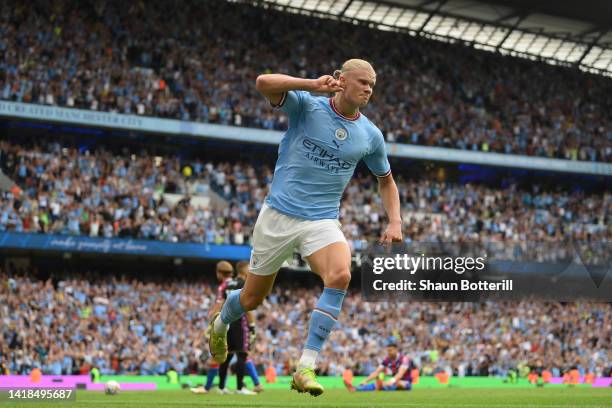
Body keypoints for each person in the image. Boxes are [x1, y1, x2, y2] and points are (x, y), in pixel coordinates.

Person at [208, 58, 402, 396]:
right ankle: (222, 321)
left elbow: (386, 180)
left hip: (322, 220)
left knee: (341, 275)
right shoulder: (307, 105)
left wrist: (395, 220)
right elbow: (263, 81)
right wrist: (311, 84)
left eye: (372, 85)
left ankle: (305, 367)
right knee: (252, 299)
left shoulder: (370, 135)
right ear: (341, 79)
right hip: (278, 215)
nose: (369, 89)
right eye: (362, 82)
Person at [344, 343, 414, 392]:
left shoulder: (404, 359)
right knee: (380, 384)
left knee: (397, 384)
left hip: (406, 383)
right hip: (394, 382)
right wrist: (365, 380)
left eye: (390, 350)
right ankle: (356, 389)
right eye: (388, 350)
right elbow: (376, 372)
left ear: (396, 350)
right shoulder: (387, 360)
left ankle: (383, 386)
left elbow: (400, 374)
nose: (388, 352)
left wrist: (391, 381)